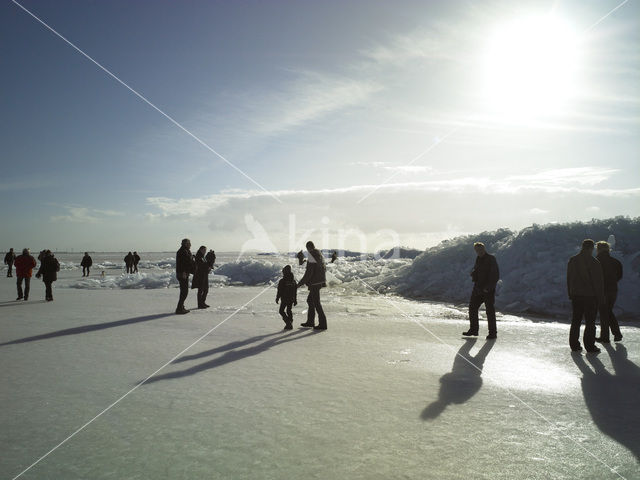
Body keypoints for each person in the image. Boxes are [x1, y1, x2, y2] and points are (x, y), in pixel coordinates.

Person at [567, 239, 605, 353]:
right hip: (590, 296)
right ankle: (590, 346)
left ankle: (574, 345)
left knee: (576, 321)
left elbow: (569, 279)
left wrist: (570, 293)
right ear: (591, 248)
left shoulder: (573, 260)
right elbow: (598, 283)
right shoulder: (594, 262)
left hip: (576, 295)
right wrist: (601, 298)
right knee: (590, 322)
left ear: (582, 247)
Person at [463, 242, 500, 340]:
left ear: (484, 249)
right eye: (477, 250)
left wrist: (488, 287)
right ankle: (474, 330)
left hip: (488, 290)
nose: (479, 252)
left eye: (480, 250)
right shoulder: (478, 259)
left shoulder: (491, 259)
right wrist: (474, 274)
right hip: (478, 289)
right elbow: (478, 272)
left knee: (490, 311)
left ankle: (493, 333)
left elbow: (495, 275)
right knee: (472, 308)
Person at [595, 241, 623, 343]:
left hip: (602, 290)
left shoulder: (596, 261)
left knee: (604, 312)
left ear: (598, 249)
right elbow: (620, 275)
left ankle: (605, 337)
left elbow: (594, 277)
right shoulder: (616, 261)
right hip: (613, 289)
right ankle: (617, 334)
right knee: (608, 311)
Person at [297, 241, 327, 330]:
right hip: (319, 281)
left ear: (308, 248)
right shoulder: (319, 254)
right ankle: (310, 321)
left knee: (316, 303)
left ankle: (323, 324)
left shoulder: (312, 255)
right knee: (310, 300)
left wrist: (300, 283)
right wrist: (301, 259)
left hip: (315, 282)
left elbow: (309, 273)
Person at [175, 238, 195, 314]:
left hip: (184, 273)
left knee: (184, 291)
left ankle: (181, 306)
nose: (190, 245)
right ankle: (179, 308)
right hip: (182, 274)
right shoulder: (182, 251)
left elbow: (188, 261)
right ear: (185, 244)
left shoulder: (185, 251)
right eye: (189, 243)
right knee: (184, 292)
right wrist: (183, 272)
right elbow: (183, 263)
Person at [276, 265, 297, 330]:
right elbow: (295, 291)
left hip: (284, 299)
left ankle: (288, 323)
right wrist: (295, 300)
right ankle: (290, 323)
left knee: (281, 311)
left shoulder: (282, 281)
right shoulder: (293, 281)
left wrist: (277, 298)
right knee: (289, 311)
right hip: (291, 298)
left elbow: (279, 290)